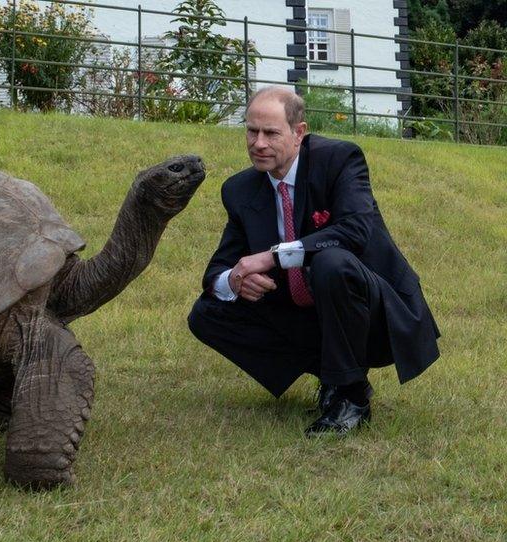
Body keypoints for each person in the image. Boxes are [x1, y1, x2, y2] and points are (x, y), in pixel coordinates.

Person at [187, 86, 440, 436]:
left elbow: (354, 232)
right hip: (309, 313)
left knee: (331, 262)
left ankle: (351, 397)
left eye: (271, 133)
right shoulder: (240, 190)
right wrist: (234, 280)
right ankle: (334, 376)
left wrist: (273, 256)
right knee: (206, 313)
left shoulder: (339, 160)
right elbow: (218, 270)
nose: (258, 143)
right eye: (251, 131)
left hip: (376, 314)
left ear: (299, 133)